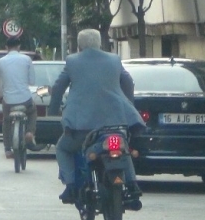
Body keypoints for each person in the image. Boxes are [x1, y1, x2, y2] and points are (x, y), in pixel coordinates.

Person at [48, 28, 145, 205]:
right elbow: (128, 82)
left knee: (63, 148)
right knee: (123, 148)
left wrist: (53, 110)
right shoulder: (114, 60)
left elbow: (58, 88)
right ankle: (132, 185)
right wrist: (128, 105)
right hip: (115, 123)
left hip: (82, 127)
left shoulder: (72, 61)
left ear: (79, 45)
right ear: (100, 43)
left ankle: (70, 186)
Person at [0, 37, 37, 159]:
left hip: (8, 100)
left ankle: (7, 149)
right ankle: (29, 132)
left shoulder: (0, 62)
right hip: (25, 99)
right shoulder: (26, 59)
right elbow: (32, 81)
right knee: (32, 111)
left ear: (6, 47)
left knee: (6, 121)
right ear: (19, 46)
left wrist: (1, 94)